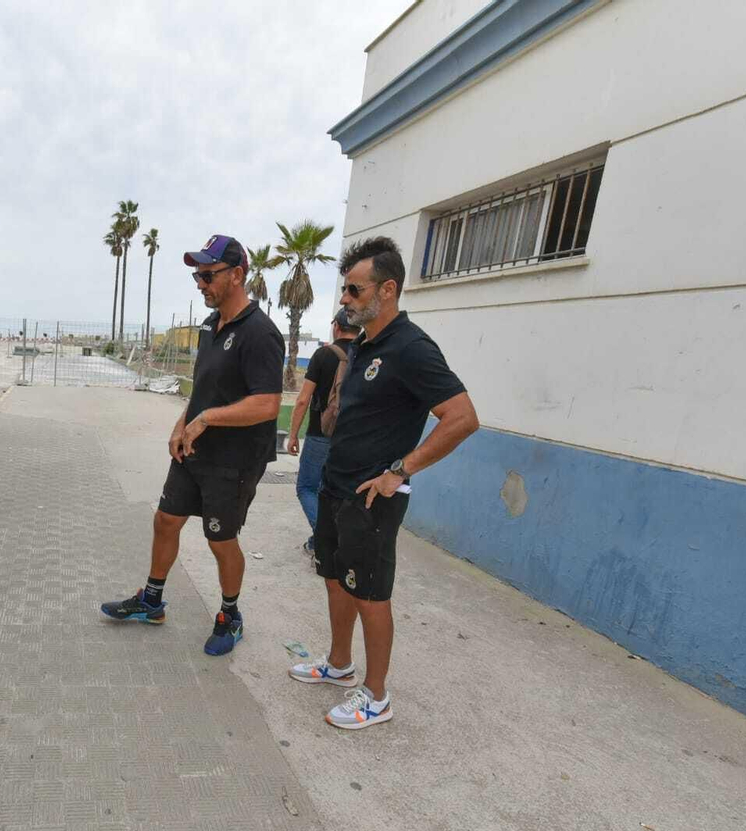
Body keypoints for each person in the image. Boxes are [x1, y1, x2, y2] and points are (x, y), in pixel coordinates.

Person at [290, 236, 480, 728]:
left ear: (387, 289)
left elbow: (461, 417)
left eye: (354, 290)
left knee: (370, 594)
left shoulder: (411, 347)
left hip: (374, 496)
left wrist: (401, 471)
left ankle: (376, 696)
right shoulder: (366, 345)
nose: (345, 300)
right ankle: (338, 665)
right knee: (334, 578)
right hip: (337, 486)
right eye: (345, 290)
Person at [100, 235, 284, 655]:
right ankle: (152, 600)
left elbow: (268, 404)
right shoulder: (208, 326)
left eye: (207, 274)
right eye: (196, 276)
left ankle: (230, 615)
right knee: (166, 519)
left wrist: (206, 419)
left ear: (237, 275)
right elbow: (204, 387)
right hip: (193, 449)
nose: (199, 283)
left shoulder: (261, 333)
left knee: (220, 540)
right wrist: (182, 422)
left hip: (234, 459)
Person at [286, 309, 359, 557]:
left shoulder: (323, 355)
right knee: (337, 492)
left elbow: (303, 399)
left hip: (321, 434)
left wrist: (294, 434)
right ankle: (321, 540)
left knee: (307, 487)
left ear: (336, 327)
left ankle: (327, 540)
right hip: (353, 437)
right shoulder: (367, 353)